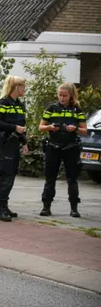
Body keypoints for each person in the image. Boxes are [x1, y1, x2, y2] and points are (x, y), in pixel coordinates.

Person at [38, 83, 87, 218]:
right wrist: (50, 127)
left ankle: (74, 208)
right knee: (50, 177)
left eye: (65, 96)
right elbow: (41, 127)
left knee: (72, 178)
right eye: (60, 95)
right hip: (53, 146)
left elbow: (84, 130)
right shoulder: (52, 108)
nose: (62, 98)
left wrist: (75, 129)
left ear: (71, 95)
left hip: (71, 147)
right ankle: (46, 206)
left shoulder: (77, 111)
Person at [0, 76, 28, 222]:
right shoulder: (4, 102)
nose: (24, 89)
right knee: (6, 174)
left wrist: (24, 142)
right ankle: (1, 207)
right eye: (23, 87)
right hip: (5, 144)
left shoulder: (19, 104)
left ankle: (3, 205)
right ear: (16, 87)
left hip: (14, 144)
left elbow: (22, 124)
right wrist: (14, 128)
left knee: (11, 174)